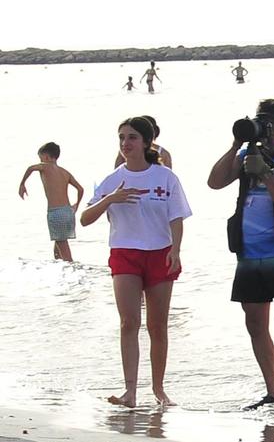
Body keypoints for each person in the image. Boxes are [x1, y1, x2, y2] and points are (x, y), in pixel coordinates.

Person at [206, 97, 274, 409]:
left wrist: (266, 174)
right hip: (249, 255)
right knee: (254, 323)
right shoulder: (245, 154)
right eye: (262, 121)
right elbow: (214, 182)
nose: (267, 128)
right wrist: (236, 144)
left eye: (273, 123)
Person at [79, 118, 192, 407]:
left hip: (160, 252)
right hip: (125, 252)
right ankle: (130, 391)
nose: (125, 143)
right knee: (129, 322)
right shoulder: (113, 178)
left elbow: (176, 217)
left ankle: (159, 389)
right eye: (121, 138)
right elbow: (85, 218)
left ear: (145, 142)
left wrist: (176, 249)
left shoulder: (165, 177)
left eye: (131, 137)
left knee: (158, 326)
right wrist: (110, 199)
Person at [18, 142, 84, 262]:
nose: (40, 161)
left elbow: (30, 168)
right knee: (58, 246)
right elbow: (80, 189)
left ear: (47, 157)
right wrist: (76, 206)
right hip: (68, 212)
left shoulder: (45, 166)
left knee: (64, 251)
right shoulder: (65, 172)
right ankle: (61, 272)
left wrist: (22, 184)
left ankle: (73, 271)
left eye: (41, 158)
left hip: (56, 212)